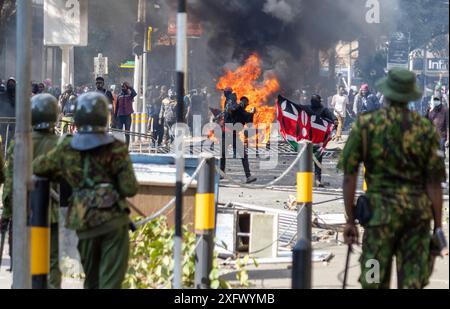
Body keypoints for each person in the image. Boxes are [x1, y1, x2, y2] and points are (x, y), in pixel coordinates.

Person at [339, 68, 447, 289]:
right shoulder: (425, 129)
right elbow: (435, 185)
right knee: (412, 284)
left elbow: (350, 177)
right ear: (410, 96)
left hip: (378, 223)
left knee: (373, 280)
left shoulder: (366, 126)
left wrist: (350, 220)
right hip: (416, 222)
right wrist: (437, 227)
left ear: (385, 94)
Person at [33, 92, 139, 289]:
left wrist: (65, 173)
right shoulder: (117, 148)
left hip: (84, 222)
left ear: (77, 118)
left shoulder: (66, 147)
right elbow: (130, 188)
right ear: (105, 117)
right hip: (114, 222)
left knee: (91, 282)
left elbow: (39, 167)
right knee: (111, 283)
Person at [1, 94, 62, 288]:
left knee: (22, 259)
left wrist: (7, 213)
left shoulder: (18, 144)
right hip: (51, 213)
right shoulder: (62, 145)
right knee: (50, 261)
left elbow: (10, 183)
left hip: (23, 212)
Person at [220, 93, 257, 184]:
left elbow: (249, 124)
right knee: (223, 154)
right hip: (226, 134)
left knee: (243, 155)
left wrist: (252, 113)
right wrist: (231, 107)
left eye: (244, 102)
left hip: (234, 135)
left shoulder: (244, 113)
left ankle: (248, 176)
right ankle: (221, 173)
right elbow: (229, 111)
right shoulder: (233, 107)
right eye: (242, 101)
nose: (243, 103)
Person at [115, 82, 137, 146]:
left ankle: (126, 147)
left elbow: (135, 93)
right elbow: (116, 108)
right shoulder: (119, 96)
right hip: (120, 117)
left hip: (127, 116)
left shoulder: (130, 95)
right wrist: (115, 118)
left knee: (127, 132)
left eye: (124, 87)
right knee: (119, 132)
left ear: (126, 87)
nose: (122, 88)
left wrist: (129, 87)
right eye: (122, 87)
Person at [0, 78, 16, 149]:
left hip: (15, 121)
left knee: (13, 140)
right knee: (4, 140)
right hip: (3, 121)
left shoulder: (18, 97)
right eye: (10, 83)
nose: (11, 85)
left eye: (12, 83)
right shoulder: (2, 96)